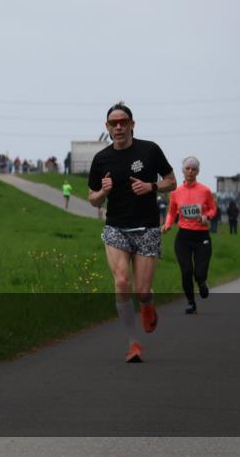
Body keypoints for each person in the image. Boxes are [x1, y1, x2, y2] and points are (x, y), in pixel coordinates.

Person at [88, 102, 176, 363]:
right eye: (113, 123)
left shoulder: (149, 150)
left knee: (142, 291)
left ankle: (148, 304)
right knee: (122, 283)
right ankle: (132, 343)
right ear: (107, 127)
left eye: (123, 122)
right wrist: (103, 192)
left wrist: (151, 186)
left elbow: (172, 181)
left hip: (147, 227)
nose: (118, 127)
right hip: (116, 227)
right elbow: (92, 198)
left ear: (132, 124)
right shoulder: (101, 158)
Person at [162, 157, 216, 314]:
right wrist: (167, 224)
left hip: (202, 236)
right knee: (186, 271)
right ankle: (191, 302)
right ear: (183, 170)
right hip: (184, 237)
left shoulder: (205, 191)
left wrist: (207, 217)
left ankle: (202, 283)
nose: (190, 171)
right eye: (188, 168)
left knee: (199, 273)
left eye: (193, 169)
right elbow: (171, 212)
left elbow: (213, 209)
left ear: (198, 172)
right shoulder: (176, 192)